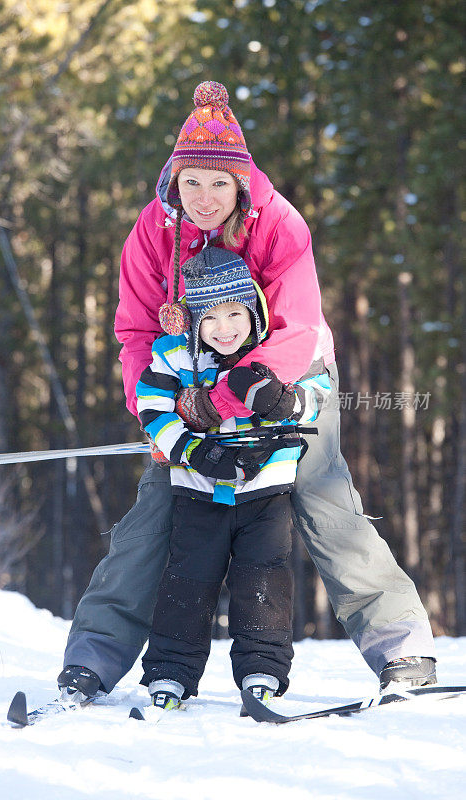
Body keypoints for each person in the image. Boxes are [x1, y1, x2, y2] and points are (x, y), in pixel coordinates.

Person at [57, 81, 436, 702]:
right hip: (187, 385)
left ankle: (399, 643)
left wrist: (237, 403)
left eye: (218, 184)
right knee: (159, 506)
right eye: (191, 184)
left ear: (241, 182)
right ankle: (94, 657)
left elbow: (297, 326)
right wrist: (173, 413)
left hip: (287, 380)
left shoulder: (280, 224)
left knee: (317, 491)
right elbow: (135, 333)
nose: (204, 199)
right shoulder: (152, 233)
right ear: (172, 183)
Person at [137, 245, 329, 709]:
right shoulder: (175, 357)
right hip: (200, 490)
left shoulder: (275, 352)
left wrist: (285, 402)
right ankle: (170, 672)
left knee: (261, 581)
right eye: (211, 318)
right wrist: (193, 451)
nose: (224, 329)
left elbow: (317, 392)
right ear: (194, 321)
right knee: (188, 579)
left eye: (234, 314)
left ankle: (261, 670)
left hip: (266, 489)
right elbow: (152, 408)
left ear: (253, 311)